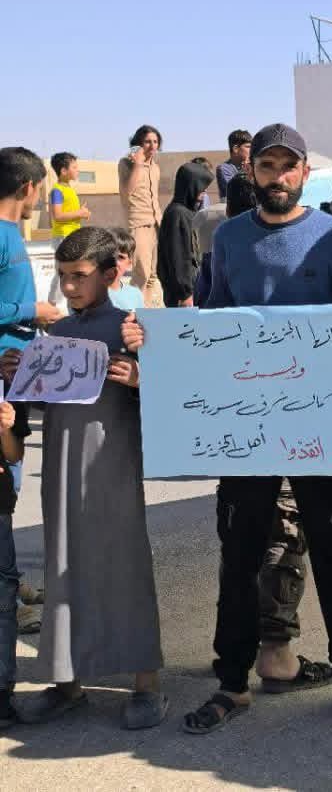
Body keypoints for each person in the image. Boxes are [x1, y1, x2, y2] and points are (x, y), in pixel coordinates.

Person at [123, 123, 332, 732]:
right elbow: (209, 330)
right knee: (238, 556)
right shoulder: (229, 241)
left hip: (318, 425)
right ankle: (230, 683)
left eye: (287, 166)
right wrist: (152, 340)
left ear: (302, 173)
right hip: (246, 429)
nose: (277, 176)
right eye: (266, 166)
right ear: (253, 173)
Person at [3, 227, 166, 729]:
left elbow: (178, 400)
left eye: (80, 277)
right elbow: (29, 408)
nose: (70, 288)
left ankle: (147, 686)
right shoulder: (53, 339)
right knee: (63, 566)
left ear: (112, 273)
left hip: (113, 466)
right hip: (59, 467)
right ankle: (66, 683)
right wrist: (14, 374)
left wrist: (141, 374)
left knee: (125, 565)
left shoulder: (134, 329)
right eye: (65, 277)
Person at [1, 147, 62, 352]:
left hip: (18, 361)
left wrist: (38, 316)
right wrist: (33, 310)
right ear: (28, 188)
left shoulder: (11, 230)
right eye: (39, 190)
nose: (37, 200)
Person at [0, 392, 29, 729]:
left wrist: (7, 429)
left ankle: (2, 690)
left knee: (4, 603)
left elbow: (14, 454)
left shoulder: (9, 384)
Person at [119, 124, 164, 306]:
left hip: (156, 224)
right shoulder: (126, 164)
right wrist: (137, 164)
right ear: (138, 144)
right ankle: (134, 313)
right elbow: (126, 193)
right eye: (147, 142)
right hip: (138, 224)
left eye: (155, 142)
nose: (152, 146)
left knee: (152, 275)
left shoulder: (155, 168)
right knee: (141, 274)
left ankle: (147, 312)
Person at [157, 161, 211, 308]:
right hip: (183, 296)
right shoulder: (178, 214)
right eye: (201, 190)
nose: (203, 195)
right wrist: (185, 293)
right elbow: (179, 257)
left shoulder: (186, 212)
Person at [46, 152, 91, 306]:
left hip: (72, 236)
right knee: (63, 272)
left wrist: (82, 214)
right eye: (74, 167)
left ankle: (72, 304)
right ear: (64, 171)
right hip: (63, 237)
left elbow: (69, 213)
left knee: (73, 271)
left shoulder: (69, 189)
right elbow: (57, 216)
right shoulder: (57, 191)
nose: (77, 170)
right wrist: (80, 213)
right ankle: (51, 305)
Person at [107, 227, 145, 311]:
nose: (115, 262)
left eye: (120, 257)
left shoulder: (135, 295)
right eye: (109, 255)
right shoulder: (89, 295)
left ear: (129, 263)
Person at [217, 130, 252, 201]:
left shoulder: (251, 166)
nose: (251, 150)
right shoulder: (224, 168)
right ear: (235, 149)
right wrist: (245, 171)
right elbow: (235, 190)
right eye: (248, 147)